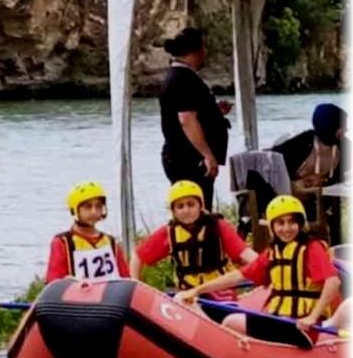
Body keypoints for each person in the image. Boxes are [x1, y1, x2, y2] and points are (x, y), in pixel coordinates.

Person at [176, 195, 341, 341]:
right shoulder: (273, 252)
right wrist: (197, 290)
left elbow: (333, 282)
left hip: (301, 328)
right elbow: (239, 276)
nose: (286, 228)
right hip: (279, 318)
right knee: (232, 322)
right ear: (272, 227)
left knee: (231, 323)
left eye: (292, 222)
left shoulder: (312, 248)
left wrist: (312, 317)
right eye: (280, 223)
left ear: (300, 224)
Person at [131, 180, 258, 301]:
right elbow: (138, 256)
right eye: (180, 206)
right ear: (173, 211)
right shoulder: (169, 233)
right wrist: (134, 285)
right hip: (188, 293)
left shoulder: (219, 227)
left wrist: (268, 267)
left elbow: (246, 254)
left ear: (200, 206)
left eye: (191, 204)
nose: (186, 210)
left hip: (221, 293)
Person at [158, 27, 233, 211]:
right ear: (195, 51)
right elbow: (187, 120)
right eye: (202, 49)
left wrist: (214, 113)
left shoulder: (180, 77)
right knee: (196, 208)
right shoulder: (183, 79)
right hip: (188, 159)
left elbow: (192, 114)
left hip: (184, 157)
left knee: (200, 205)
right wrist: (207, 155)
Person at [271, 103, 349, 242]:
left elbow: (341, 176)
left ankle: (335, 249)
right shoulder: (302, 142)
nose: (346, 129)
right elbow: (271, 163)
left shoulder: (344, 145)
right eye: (342, 126)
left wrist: (327, 179)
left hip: (322, 198)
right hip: (294, 199)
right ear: (329, 126)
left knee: (332, 218)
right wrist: (298, 183)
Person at [45, 181, 130, 283]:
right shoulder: (63, 243)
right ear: (75, 210)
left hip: (108, 298)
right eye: (88, 207)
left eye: (98, 206)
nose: (94, 212)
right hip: (76, 298)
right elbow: (54, 284)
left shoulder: (111, 243)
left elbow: (126, 280)